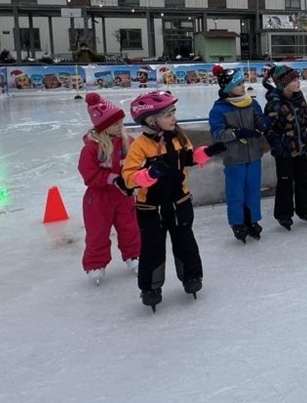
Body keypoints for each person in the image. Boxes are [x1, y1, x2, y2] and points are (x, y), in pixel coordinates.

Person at [123, 91, 223, 312]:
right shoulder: (140, 146)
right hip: (151, 208)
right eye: (168, 114)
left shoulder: (179, 137)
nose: (174, 118)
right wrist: (151, 173)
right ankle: (150, 287)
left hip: (180, 201)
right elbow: (129, 178)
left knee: (185, 242)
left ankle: (192, 277)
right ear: (151, 120)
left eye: (173, 112)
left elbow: (188, 158)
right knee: (152, 249)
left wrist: (208, 151)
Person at [78, 93, 140, 284]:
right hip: (98, 199)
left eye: (121, 122)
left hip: (124, 195)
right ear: (103, 126)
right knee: (98, 232)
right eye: (115, 124)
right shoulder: (91, 148)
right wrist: (112, 178)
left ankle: (135, 256)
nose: (120, 126)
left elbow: (139, 160)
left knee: (131, 228)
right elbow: (88, 173)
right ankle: (96, 264)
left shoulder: (127, 141)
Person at [208, 64, 269, 243]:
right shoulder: (219, 109)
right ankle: (237, 223)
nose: (242, 86)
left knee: (253, 190)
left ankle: (252, 220)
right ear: (227, 88)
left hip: (254, 155)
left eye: (242, 82)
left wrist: (263, 123)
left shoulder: (252, 102)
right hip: (234, 158)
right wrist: (236, 133)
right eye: (237, 84)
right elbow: (217, 134)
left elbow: (259, 117)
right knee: (236, 192)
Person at [263, 65, 307, 229]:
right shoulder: (274, 104)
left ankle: (306, 210)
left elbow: (302, 119)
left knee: (304, 181)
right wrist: (277, 144)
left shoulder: (299, 99)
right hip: (284, 152)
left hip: (301, 148)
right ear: (283, 84)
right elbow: (268, 129)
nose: (298, 83)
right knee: (285, 183)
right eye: (294, 80)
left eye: (298, 79)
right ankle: (283, 214)